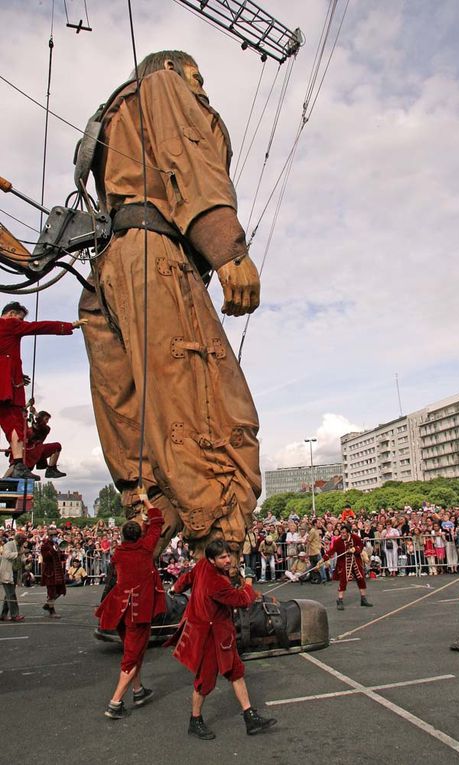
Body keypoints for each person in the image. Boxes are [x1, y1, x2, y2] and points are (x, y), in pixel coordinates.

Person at [78, 50, 261, 567]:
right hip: (154, 259)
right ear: (174, 72)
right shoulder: (161, 85)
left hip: (109, 272)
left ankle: (135, 574)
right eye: (198, 79)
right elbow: (190, 154)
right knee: (206, 408)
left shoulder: (114, 116)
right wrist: (228, 249)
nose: (202, 91)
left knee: (137, 426)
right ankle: (225, 578)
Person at [170, 538, 277, 739]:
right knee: (205, 681)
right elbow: (242, 600)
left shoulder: (202, 565)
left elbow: (187, 578)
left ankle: (249, 716)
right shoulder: (216, 582)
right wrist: (248, 582)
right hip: (210, 636)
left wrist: (175, 588)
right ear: (211, 560)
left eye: (228, 555)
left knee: (236, 671)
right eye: (223, 557)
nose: (228, 560)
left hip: (221, 633)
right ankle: (195, 720)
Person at [96, 494, 166, 719]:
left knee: (133, 651)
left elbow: (151, 524)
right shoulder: (145, 549)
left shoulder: (118, 552)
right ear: (140, 536)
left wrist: (141, 520)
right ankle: (115, 703)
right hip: (138, 610)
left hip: (119, 609)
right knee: (131, 657)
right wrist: (146, 500)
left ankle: (137, 690)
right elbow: (158, 519)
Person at [0, 301, 85, 480]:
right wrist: (68, 326)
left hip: (7, 383)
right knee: (15, 424)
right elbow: (38, 327)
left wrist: (15, 374)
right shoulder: (9, 323)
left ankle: (18, 466)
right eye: (20, 318)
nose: (21, 322)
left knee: (11, 425)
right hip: (8, 391)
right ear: (12, 314)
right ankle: (18, 465)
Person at [316, 525, 373, 610]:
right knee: (343, 581)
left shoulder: (355, 538)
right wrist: (322, 559)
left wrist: (355, 549)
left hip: (356, 562)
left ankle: (363, 599)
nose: (342, 534)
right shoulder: (338, 541)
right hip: (344, 563)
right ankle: (340, 600)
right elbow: (331, 551)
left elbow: (360, 546)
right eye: (341, 532)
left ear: (348, 533)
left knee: (361, 579)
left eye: (344, 533)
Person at [40, 528, 67, 618]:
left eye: (55, 534)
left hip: (58, 571)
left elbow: (58, 556)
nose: (54, 536)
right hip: (50, 572)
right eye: (51, 535)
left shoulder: (58, 543)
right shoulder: (45, 545)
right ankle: (52, 611)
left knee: (60, 590)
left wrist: (63, 556)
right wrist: (54, 549)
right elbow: (46, 558)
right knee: (51, 592)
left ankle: (48, 605)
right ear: (48, 535)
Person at [0, 532, 26, 621]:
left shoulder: (20, 546)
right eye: (23, 540)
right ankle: (15, 615)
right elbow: (7, 555)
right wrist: (18, 553)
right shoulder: (8, 545)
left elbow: (22, 558)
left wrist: (27, 560)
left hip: (15, 572)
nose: (24, 542)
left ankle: (3, 615)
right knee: (11, 595)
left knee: (8, 595)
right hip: (7, 572)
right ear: (19, 539)